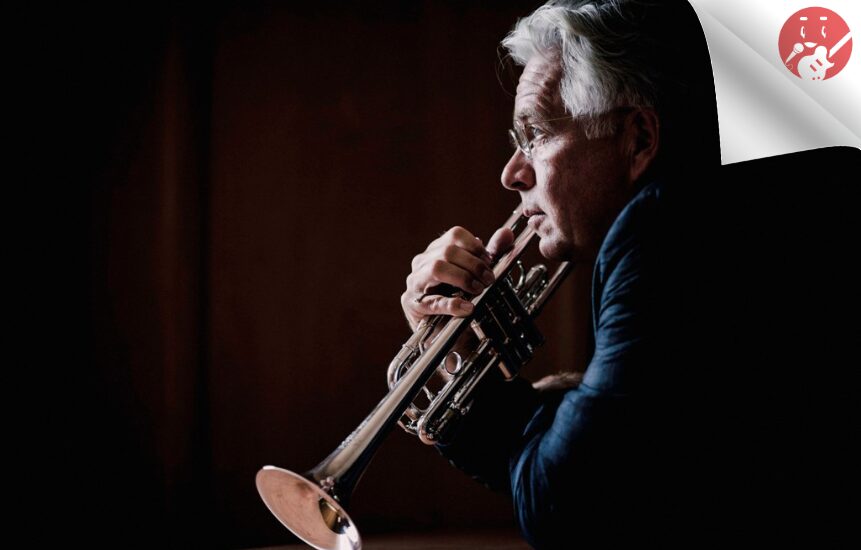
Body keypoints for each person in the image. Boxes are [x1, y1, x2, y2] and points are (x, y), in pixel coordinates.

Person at [400, 0, 726, 547]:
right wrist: (461, 356)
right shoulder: (697, 225)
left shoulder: (655, 231)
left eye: (535, 135)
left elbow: (567, 506)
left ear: (639, 139)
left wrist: (489, 399)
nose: (512, 173)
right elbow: (631, 475)